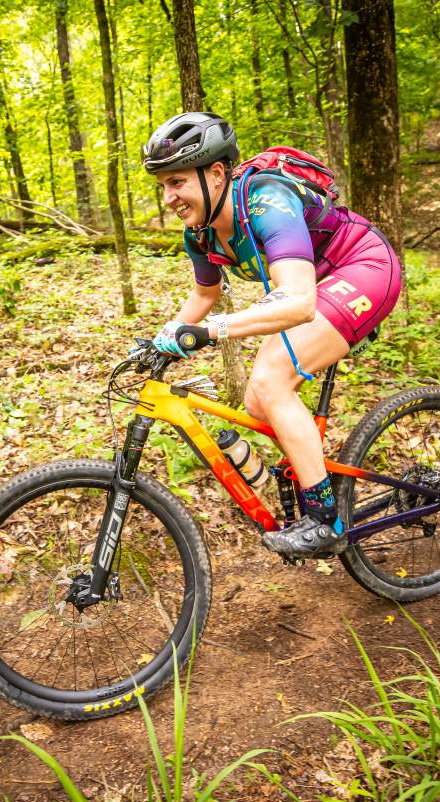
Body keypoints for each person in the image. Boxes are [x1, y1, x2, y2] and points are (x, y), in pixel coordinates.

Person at [141, 111, 402, 559]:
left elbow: (299, 302)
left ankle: (324, 519)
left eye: (177, 182)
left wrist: (213, 331)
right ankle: (316, 473)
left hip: (362, 268)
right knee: (257, 401)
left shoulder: (265, 199)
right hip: (315, 285)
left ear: (216, 173)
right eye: (163, 185)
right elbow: (205, 293)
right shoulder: (200, 234)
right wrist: (161, 340)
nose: (169, 197)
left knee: (268, 380)